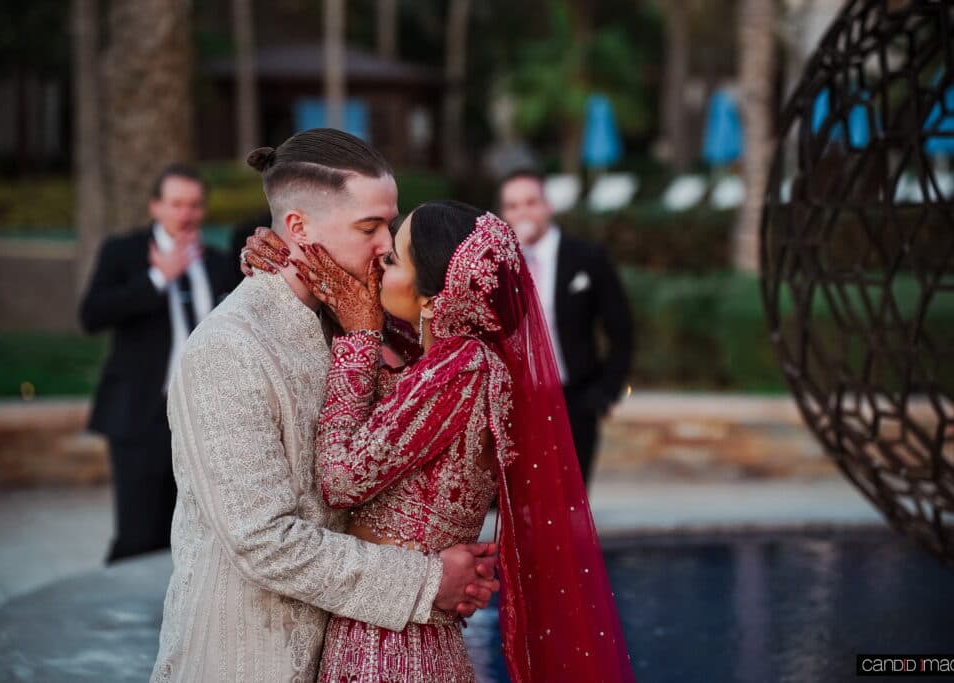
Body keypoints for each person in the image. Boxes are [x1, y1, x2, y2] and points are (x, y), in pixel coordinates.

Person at [151, 130, 498, 683]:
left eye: (390, 224)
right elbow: (264, 542)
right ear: (298, 227)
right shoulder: (228, 349)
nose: (386, 245)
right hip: (250, 660)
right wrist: (429, 580)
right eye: (369, 227)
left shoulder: (357, 320)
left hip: (358, 653)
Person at [247, 200, 634, 681]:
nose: (378, 260)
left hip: (388, 645)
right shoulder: (453, 360)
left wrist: (360, 338)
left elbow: (340, 480)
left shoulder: (461, 368)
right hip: (405, 625)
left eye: (392, 259)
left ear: (433, 298)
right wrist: (284, 257)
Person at [79, 163, 230, 563]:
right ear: (155, 206)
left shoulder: (218, 263)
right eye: (176, 204)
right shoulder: (123, 252)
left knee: (192, 533)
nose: (186, 214)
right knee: (138, 535)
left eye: (194, 205)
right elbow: (91, 315)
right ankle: (120, 600)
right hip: (141, 416)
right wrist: (157, 279)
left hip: (203, 417)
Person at [498, 169, 634, 486]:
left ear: (547, 205)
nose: (523, 213)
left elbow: (621, 329)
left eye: (531, 202)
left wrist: (605, 393)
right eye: (513, 206)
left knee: (569, 496)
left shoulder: (586, 257)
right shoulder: (497, 265)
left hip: (572, 399)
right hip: (513, 402)